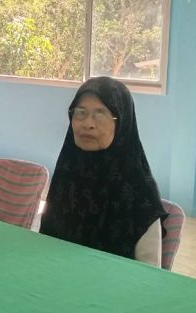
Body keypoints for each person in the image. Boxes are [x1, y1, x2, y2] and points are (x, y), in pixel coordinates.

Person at [40, 76, 166, 266]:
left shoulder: (139, 192)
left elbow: (149, 271)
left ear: (121, 122)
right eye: (80, 113)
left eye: (100, 114)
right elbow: (46, 242)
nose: (88, 124)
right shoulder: (67, 174)